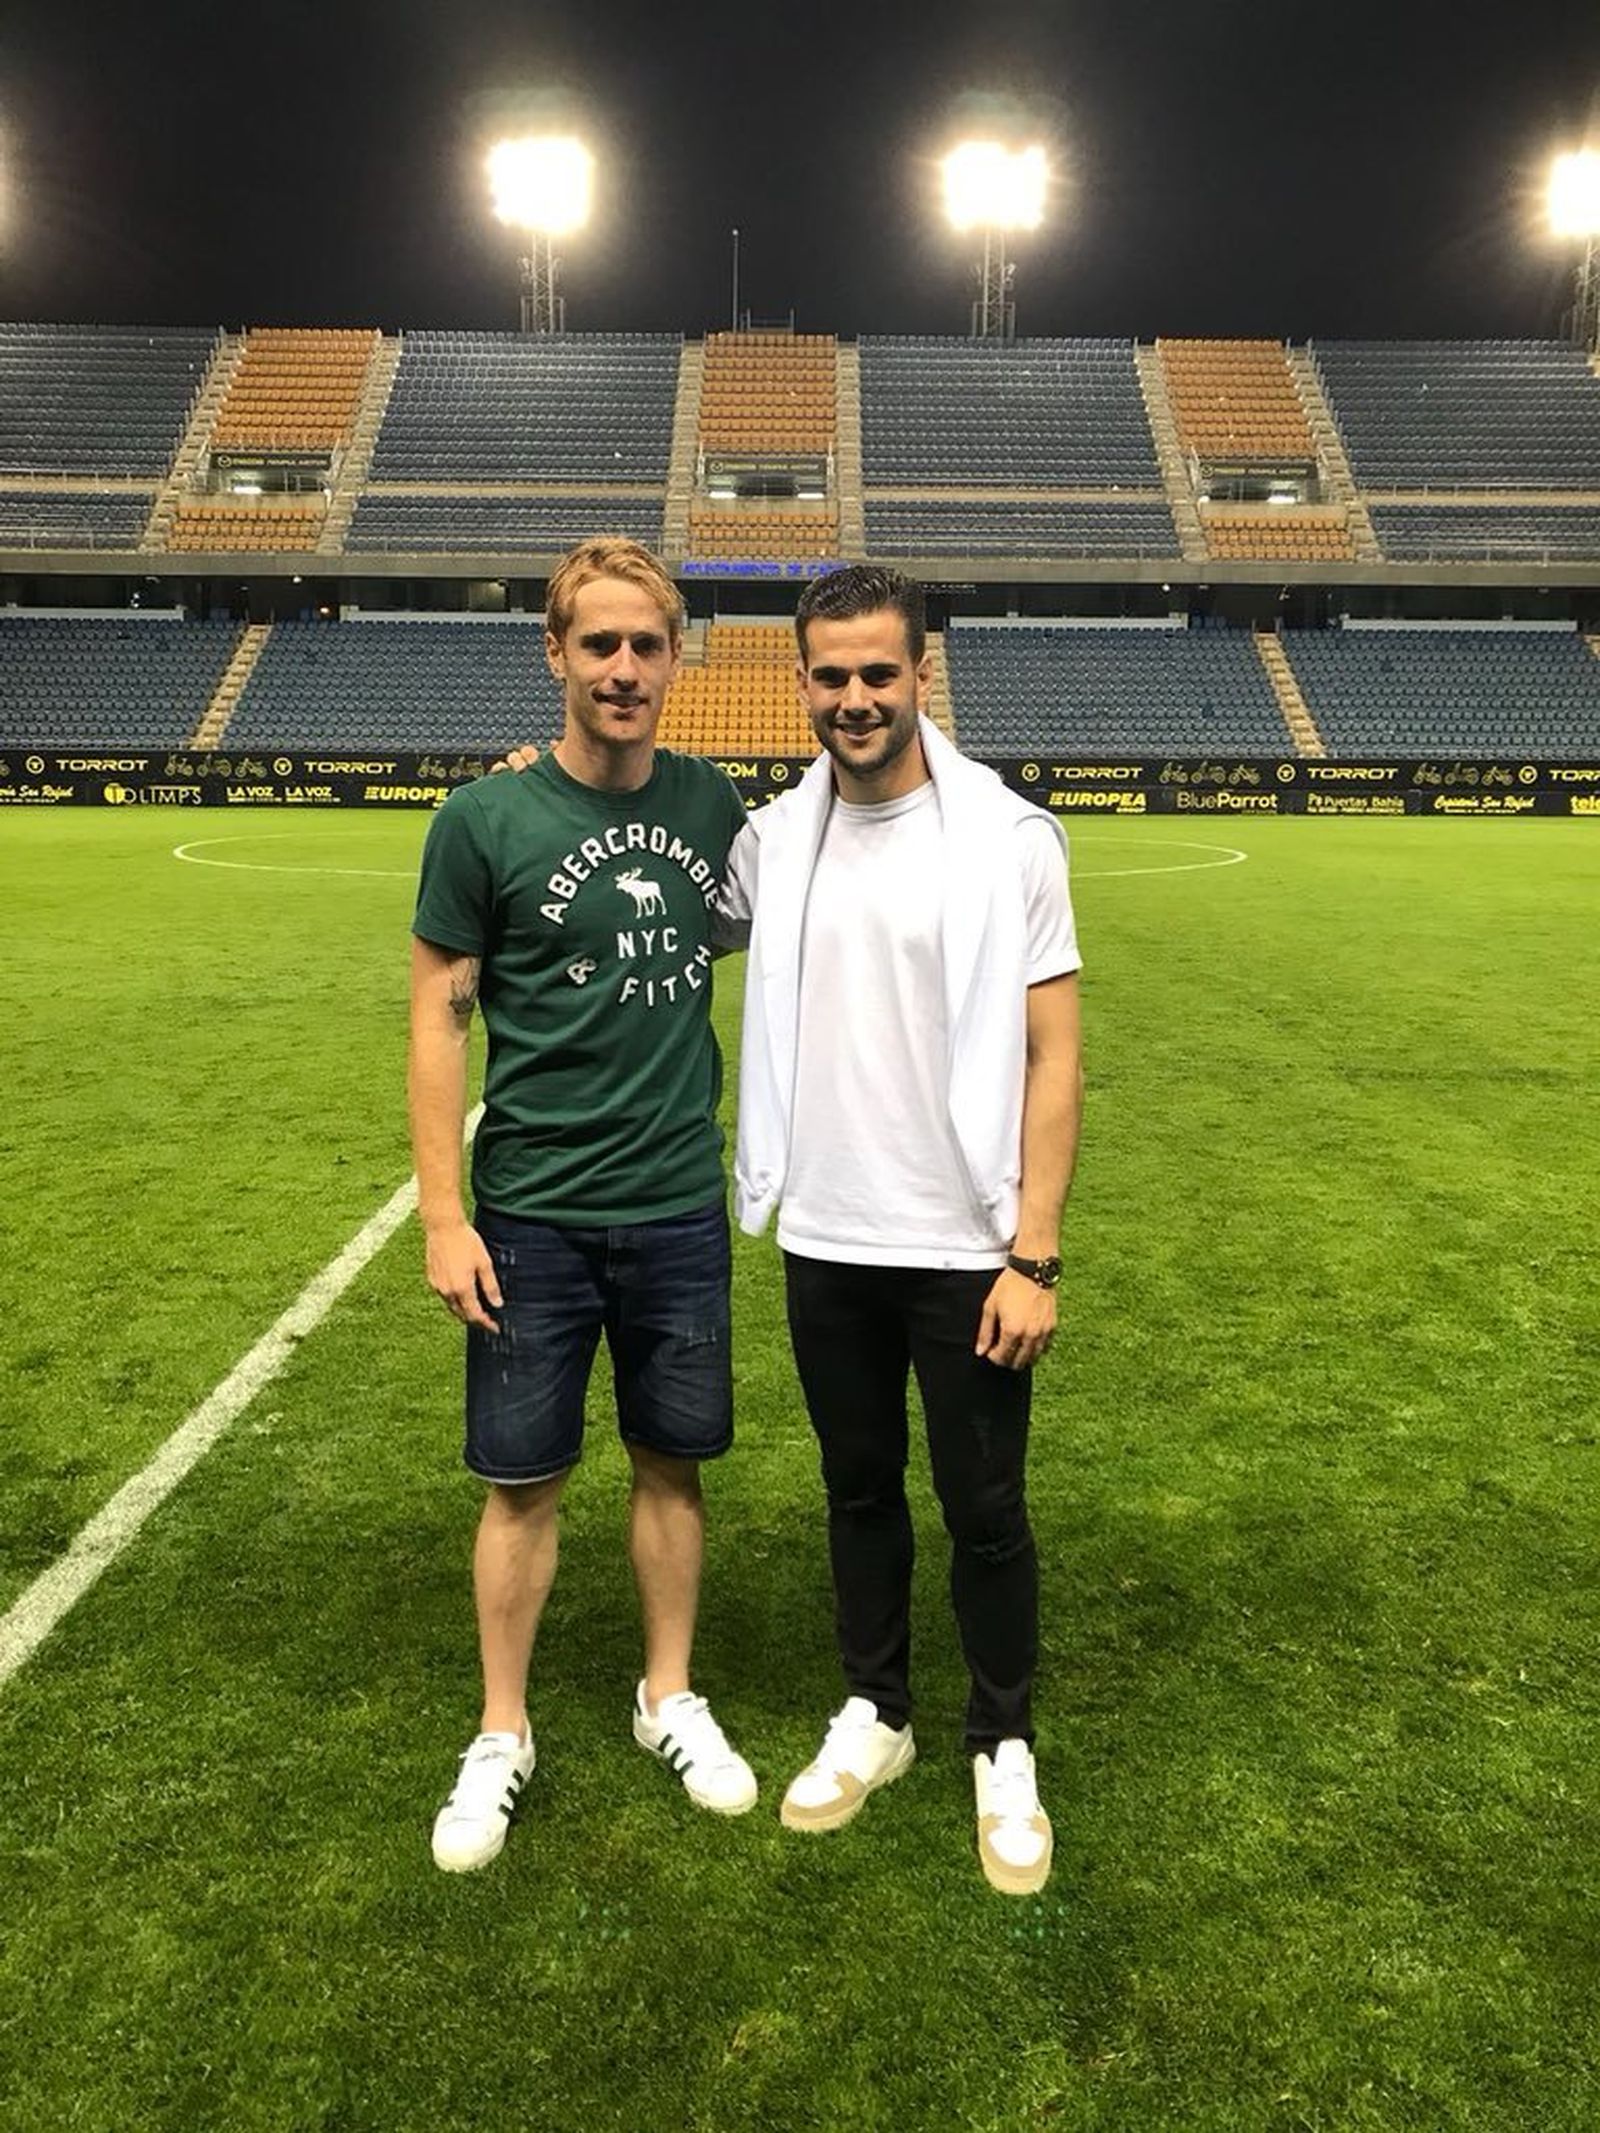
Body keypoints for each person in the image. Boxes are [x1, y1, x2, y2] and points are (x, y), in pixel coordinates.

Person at [720, 563, 1083, 1896]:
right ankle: (878, 1710)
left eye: (880, 671)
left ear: (921, 673)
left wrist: (1034, 1252)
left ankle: (1004, 1739)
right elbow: (637, 891)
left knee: (985, 1507)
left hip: (967, 1247)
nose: (856, 697)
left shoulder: (1009, 838)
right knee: (858, 1487)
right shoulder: (773, 839)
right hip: (827, 1232)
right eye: (832, 675)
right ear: (801, 683)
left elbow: (1054, 1055)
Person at [408, 536, 757, 1874]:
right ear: (554, 652)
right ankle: (502, 1727)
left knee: (674, 1462)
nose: (623, 668)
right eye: (598, 643)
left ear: (677, 659)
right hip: (531, 1214)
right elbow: (439, 1019)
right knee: (522, 1483)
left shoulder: (715, 805)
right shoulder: (483, 821)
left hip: (675, 1203)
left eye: (645, 645)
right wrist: (444, 1214)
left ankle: (668, 1693)